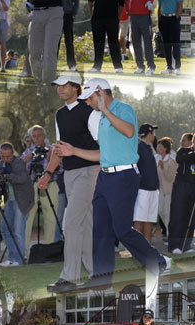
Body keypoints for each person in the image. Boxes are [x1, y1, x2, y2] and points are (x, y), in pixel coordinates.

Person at [56, 77, 168, 285]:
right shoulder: (102, 119)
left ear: (100, 93)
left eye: (89, 98)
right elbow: (102, 154)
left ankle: (157, 262)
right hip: (105, 177)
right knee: (101, 230)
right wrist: (73, 151)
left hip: (124, 177)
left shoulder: (123, 109)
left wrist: (105, 110)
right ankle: (102, 278)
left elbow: (129, 131)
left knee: (122, 229)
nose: (87, 103)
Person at [38, 72, 101, 289]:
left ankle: (70, 277)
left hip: (91, 172)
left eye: (64, 85)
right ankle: (98, 274)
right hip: (70, 174)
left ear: (76, 87)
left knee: (70, 223)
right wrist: (48, 173)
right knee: (84, 224)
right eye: (58, 86)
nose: (59, 89)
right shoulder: (60, 114)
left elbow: (103, 146)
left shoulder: (91, 112)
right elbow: (59, 148)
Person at [21, 126, 59, 258]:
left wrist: (50, 160)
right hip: (32, 185)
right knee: (28, 218)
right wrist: (26, 161)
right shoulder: (27, 152)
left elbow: (61, 170)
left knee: (50, 218)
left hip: (50, 184)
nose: (37, 138)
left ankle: (49, 250)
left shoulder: (53, 150)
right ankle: (24, 251)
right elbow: (21, 173)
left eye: (39, 135)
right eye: (34, 136)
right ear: (31, 138)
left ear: (44, 136)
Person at [0, 142, 34, 265]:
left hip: (22, 200)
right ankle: (13, 257)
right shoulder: (1, 163)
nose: (5, 159)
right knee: (5, 228)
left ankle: (18, 259)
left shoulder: (18, 163)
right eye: (3, 156)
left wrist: (6, 176)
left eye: (7, 156)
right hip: (10, 200)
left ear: (12, 154)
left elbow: (22, 178)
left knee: (18, 231)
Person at [88, 0, 125, 73]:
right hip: (98, 19)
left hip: (112, 19)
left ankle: (118, 67)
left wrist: (118, 17)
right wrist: (91, 15)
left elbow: (121, 3)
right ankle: (97, 66)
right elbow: (90, 1)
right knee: (98, 43)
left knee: (113, 42)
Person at [168, 132, 195, 253]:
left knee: (191, 217)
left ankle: (186, 245)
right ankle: (174, 246)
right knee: (178, 215)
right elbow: (182, 159)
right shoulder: (183, 151)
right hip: (181, 186)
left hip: (193, 187)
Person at [133, 124, 160, 244]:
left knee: (149, 219)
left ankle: (148, 247)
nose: (154, 135)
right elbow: (135, 168)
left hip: (153, 189)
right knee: (139, 219)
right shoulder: (139, 147)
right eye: (153, 133)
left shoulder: (149, 148)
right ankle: (138, 248)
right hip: (142, 190)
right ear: (150, 134)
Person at [126, 0, 155, 75]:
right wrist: (128, 10)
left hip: (144, 17)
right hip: (134, 18)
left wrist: (149, 2)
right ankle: (140, 66)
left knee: (147, 43)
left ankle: (151, 67)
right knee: (136, 42)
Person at [157, 0, 183, 74]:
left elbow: (180, 3)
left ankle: (177, 67)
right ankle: (169, 67)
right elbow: (159, 6)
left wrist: (177, 16)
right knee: (166, 44)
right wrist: (159, 18)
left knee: (175, 43)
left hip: (173, 18)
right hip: (163, 19)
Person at [156, 137, 177, 237]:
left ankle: (170, 235)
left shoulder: (171, 161)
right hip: (160, 190)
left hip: (169, 190)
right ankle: (171, 230)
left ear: (165, 148)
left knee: (167, 212)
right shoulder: (157, 158)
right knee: (160, 210)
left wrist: (163, 167)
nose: (157, 148)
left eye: (160, 146)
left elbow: (170, 178)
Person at [60, 0, 79, 69]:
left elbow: (76, 0)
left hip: (68, 15)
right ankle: (52, 64)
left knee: (69, 41)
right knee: (55, 41)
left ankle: (72, 65)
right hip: (56, 16)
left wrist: (73, 13)